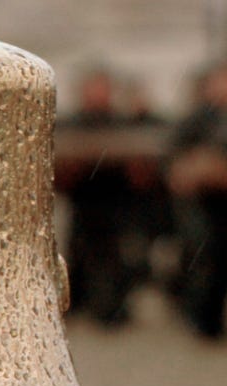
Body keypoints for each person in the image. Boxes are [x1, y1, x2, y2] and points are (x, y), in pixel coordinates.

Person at [166, 62, 227, 339]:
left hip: (224, 202)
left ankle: (216, 320)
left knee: (226, 260)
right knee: (202, 256)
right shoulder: (195, 118)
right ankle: (199, 318)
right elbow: (173, 157)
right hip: (196, 202)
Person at [61, 69, 140, 327]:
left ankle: (111, 308)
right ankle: (77, 303)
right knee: (77, 253)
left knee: (114, 258)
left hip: (114, 201)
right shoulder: (72, 122)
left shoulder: (121, 122)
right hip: (83, 200)